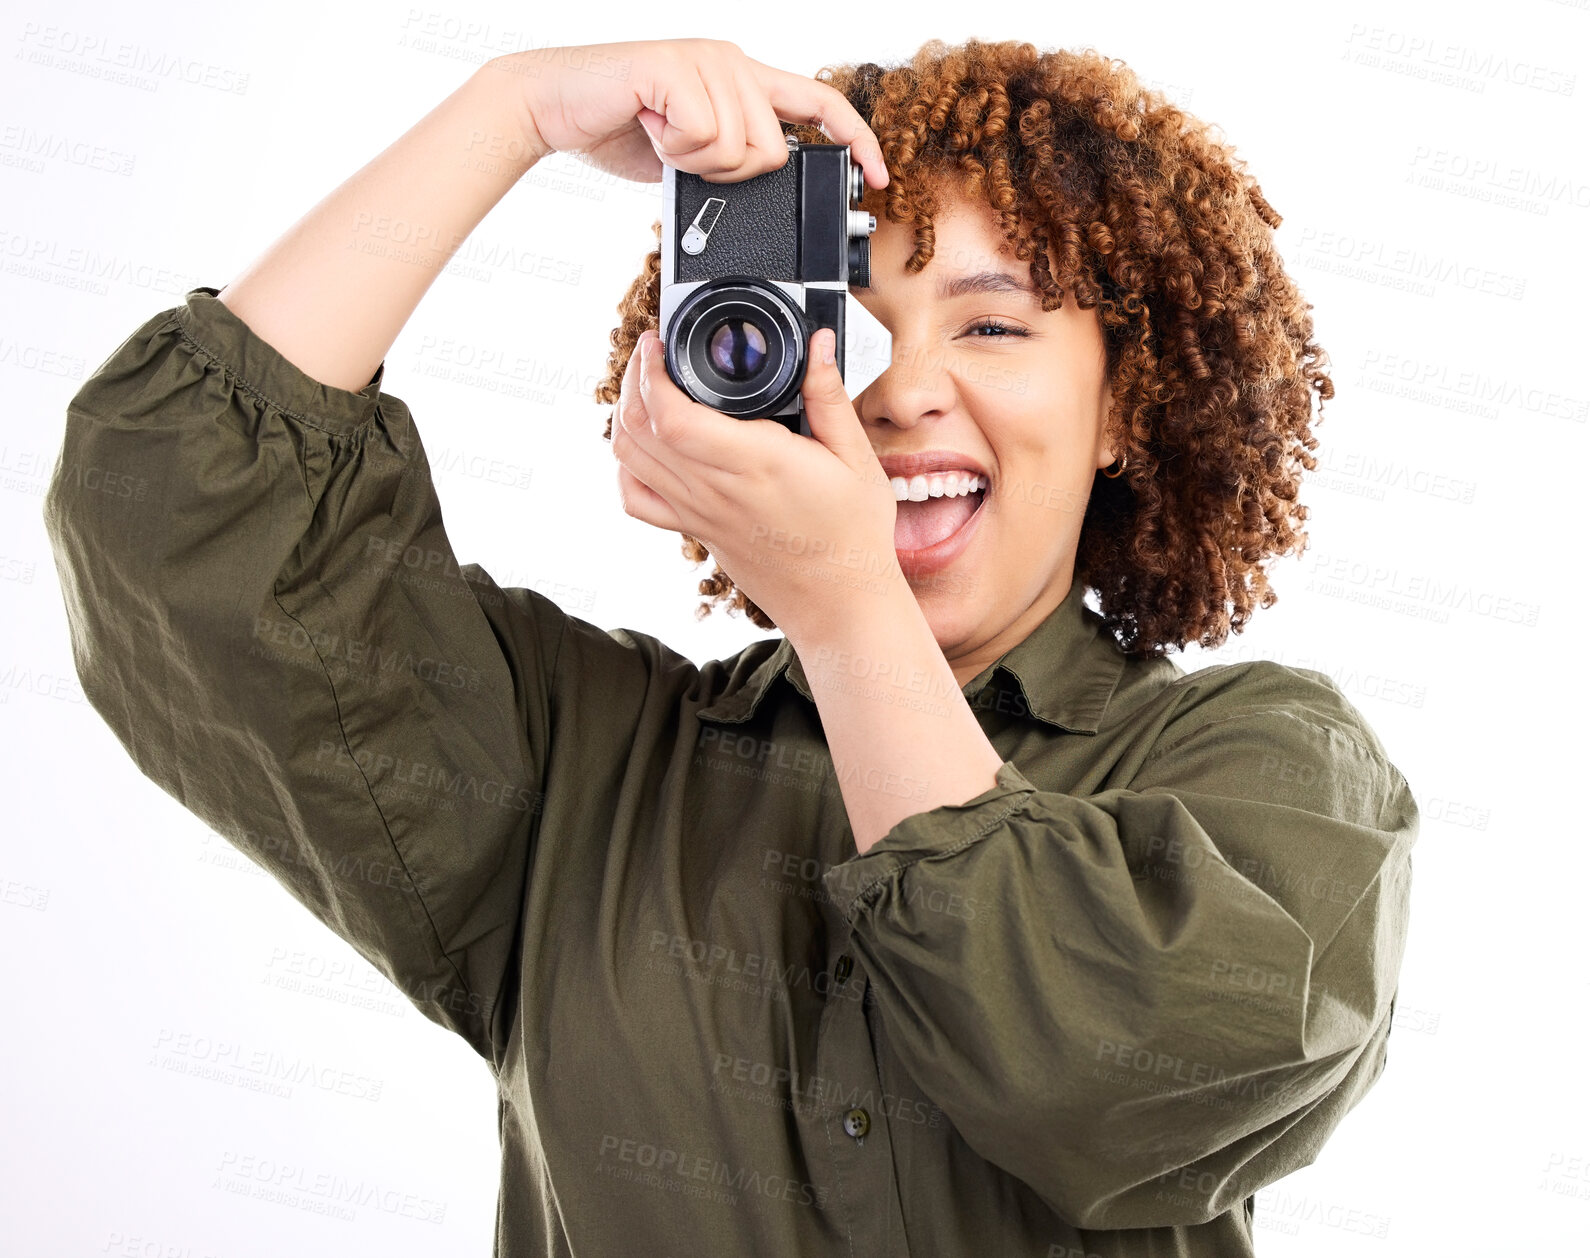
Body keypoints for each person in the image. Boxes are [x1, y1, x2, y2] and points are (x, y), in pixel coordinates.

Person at [42, 35, 1417, 1257]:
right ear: (722, 364)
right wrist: (506, 109)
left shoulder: (1263, 770)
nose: (900, 389)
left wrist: (842, 602)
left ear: (1126, 409)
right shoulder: (575, 768)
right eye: (838, 322)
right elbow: (178, 515)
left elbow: (1110, 1071)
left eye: (989, 323)